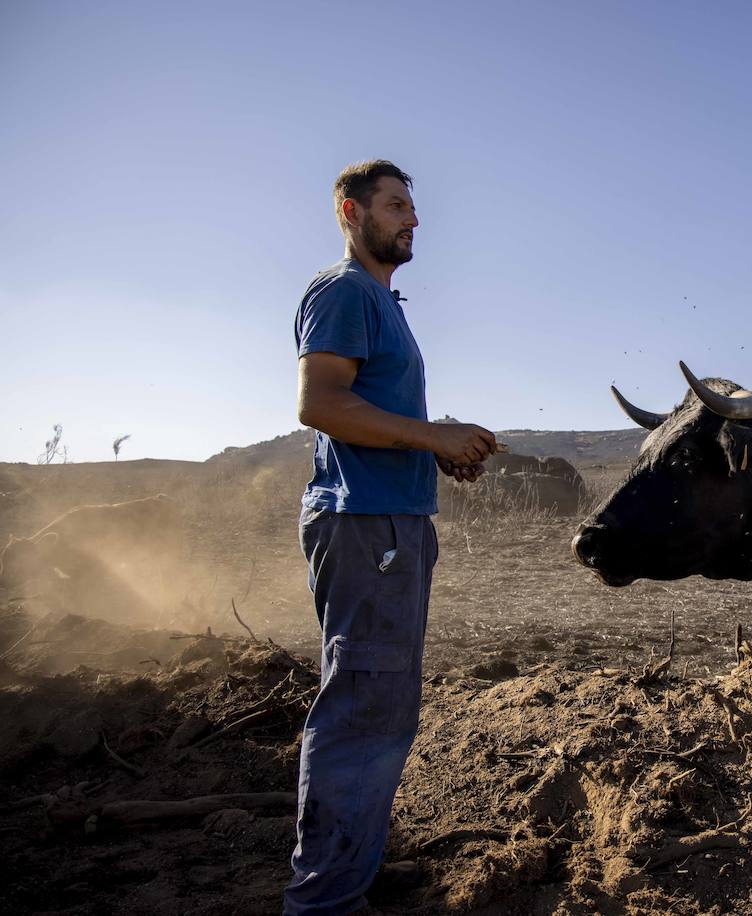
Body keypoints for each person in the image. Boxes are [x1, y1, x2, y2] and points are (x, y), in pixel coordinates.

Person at [285, 160, 495, 914]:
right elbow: (320, 403)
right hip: (366, 525)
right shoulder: (343, 291)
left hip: (392, 524)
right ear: (352, 211)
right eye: (397, 205)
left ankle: (352, 875)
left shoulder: (381, 300)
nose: (413, 220)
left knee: (379, 708)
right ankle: (324, 901)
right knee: (363, 713)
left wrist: (436, 449)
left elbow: (372, 416)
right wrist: (431, 434)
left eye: (414, 207)